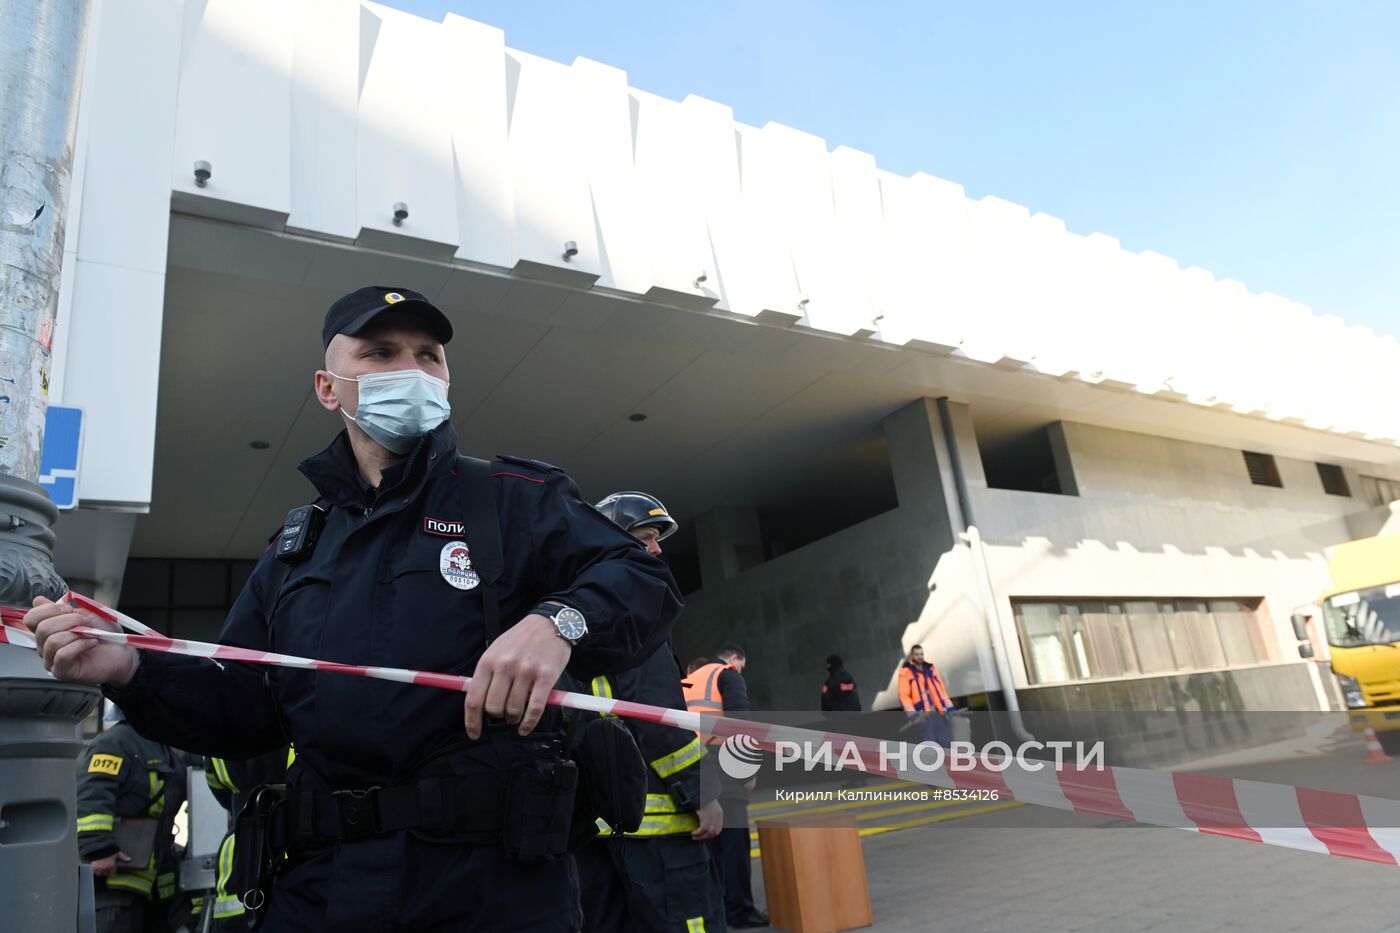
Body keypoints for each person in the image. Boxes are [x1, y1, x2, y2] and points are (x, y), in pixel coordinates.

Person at [28, 285, 683, 933]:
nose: (413, 370)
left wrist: (558, 622)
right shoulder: (294, 548)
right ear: (328, 387)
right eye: (380, 352)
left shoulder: (510, 499)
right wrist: (127, 667)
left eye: (430, 355)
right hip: (322, 889)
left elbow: (640, 577)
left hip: (494, 887)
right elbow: (242, 706)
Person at [573, 491, 726, 932]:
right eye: (645, 539)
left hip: (600, 826)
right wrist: (703, 794)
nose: (657, 549)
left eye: (657, 539)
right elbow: (657, 716)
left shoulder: (575, 613)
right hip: (660, 832)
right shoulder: (636, 614)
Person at [76, 703, 188, 933]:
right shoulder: (115, 742)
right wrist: (99, 849)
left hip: (154, 878)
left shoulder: (160, 746)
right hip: (115, 878)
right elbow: (92, 794)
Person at [684, 645, 767, 929]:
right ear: (734, 659)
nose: (741, 670)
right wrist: (747, 770)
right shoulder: (727, 674)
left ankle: (715, 910)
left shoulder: (685, 682)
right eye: (742, 665)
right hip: (723, 768)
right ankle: (741, 912)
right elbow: (741, 723)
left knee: (710, 848)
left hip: (691, 768)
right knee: (735, 846)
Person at [201, 747, 293, 930]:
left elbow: (215, 783)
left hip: (238, 854)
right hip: (294, 847)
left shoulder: (221, 722)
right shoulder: (300, 720)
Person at [898, 644, 954, 747]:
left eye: (921, 654)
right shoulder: (906, 673)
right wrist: (913, 715)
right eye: (917, 654)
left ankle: (948, 762)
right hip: (922, 717)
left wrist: (950, 708)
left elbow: (941, 691)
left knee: (946, 744)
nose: (920, 657)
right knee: (931, 746)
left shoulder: (930, 669)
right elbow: (904, 696)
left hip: (937, 714)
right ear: (912, 656)